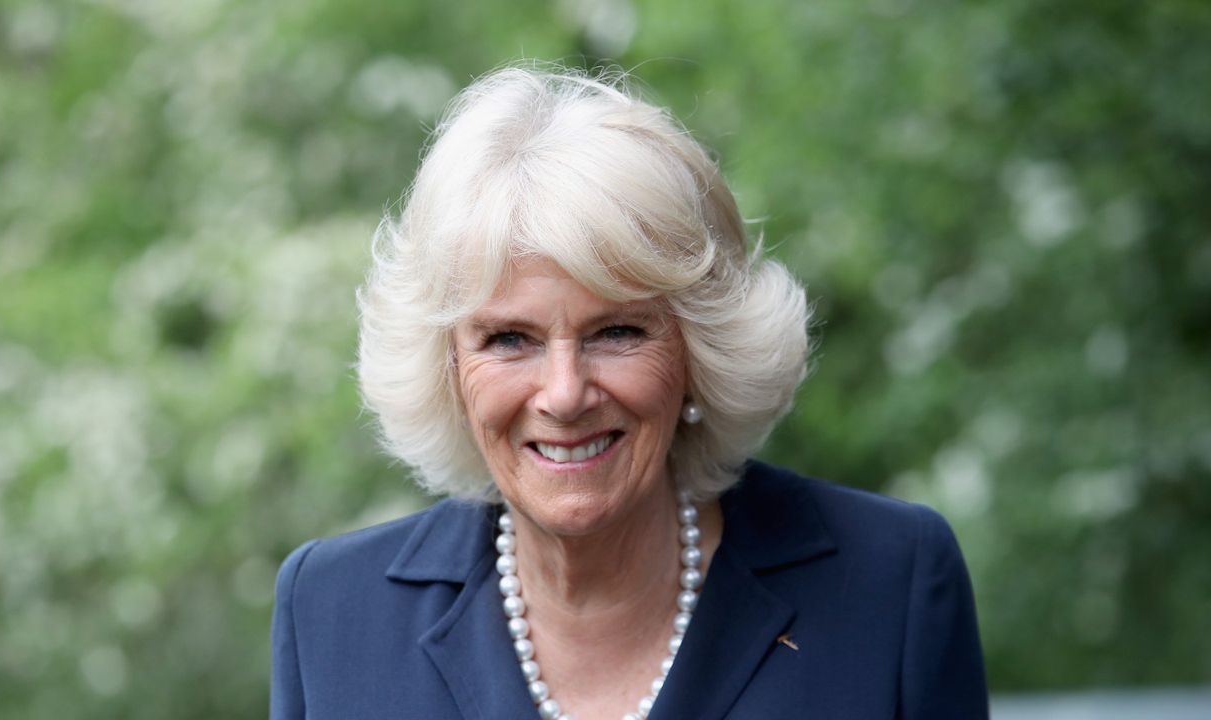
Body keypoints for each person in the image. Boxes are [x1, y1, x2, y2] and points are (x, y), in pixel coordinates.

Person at [271, 64, 988, 720]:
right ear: (448, 369)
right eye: (508, 340)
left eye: (615, 331)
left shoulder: (892, 584)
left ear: (699, 351)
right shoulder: (331, 610)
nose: (564, 392)